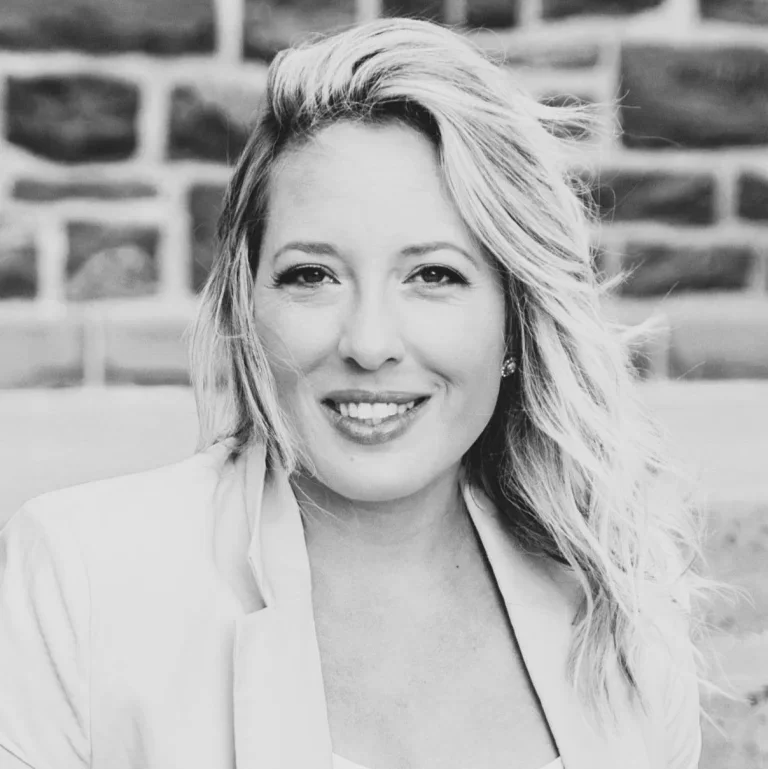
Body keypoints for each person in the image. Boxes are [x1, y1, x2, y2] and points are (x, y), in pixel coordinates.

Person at [0, 17, 706, 769]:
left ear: (514, 319)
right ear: (247, 306)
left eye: (433, 275)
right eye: (313, 275)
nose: (369, 343)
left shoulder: (623, 615)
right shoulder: (83, 581)